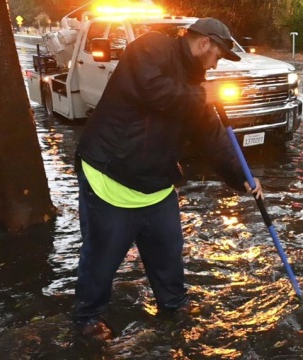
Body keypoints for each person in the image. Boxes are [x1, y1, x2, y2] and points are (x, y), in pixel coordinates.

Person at [73, 18, 263, 340]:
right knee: (102, 259)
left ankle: (174, 307)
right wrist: (203, 95)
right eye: (218, 56)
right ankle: (87, 320)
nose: (216, 65)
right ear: (204, 43)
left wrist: (241, 176)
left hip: (156, 184)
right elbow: (153, 90)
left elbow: (212, 136)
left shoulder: (197, 84)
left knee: (168, 255)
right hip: (109, 175)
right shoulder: (151, 47)